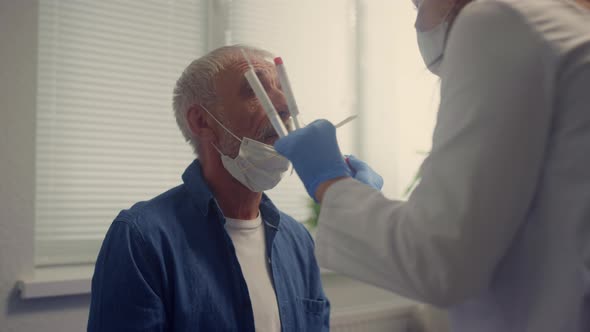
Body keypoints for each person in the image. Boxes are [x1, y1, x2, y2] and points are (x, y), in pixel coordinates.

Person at [273, 0, 590, 331]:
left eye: (417, 5)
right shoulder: (566, 26)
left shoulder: (501, 20)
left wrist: (331, 184)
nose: (417, 23)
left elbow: (439, 261)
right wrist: (356, 199)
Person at [88, 45, 330, 332]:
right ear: (202, 121)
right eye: (256, 91)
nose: (283, 105)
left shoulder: (298, 241)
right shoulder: (142, 239)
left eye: (281, 88)